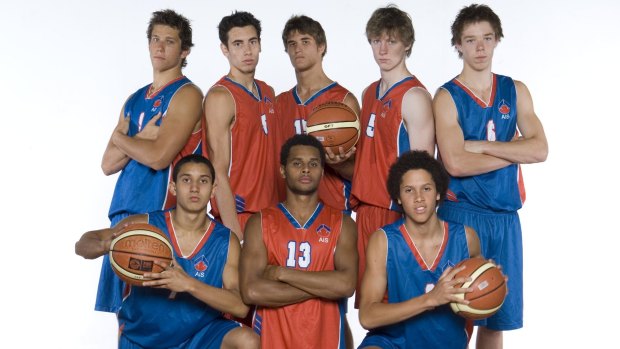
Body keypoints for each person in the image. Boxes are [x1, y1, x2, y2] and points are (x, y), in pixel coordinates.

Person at [433, 4, 548, 348]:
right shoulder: (446, 97)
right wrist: (513, 151)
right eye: (470, 40)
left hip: (504, 219)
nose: (480, 48)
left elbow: (539, 150)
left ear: (497, 40)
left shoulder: (517, 91)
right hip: (460, 217)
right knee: (451, 320)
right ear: (458, 45)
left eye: (486, 38)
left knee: (494, 317)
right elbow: (454, 163)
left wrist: (480, 146)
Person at [76, 155, 259, 349]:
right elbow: (83, 245)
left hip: (199, 335)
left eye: (203, 181)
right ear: (173, 187)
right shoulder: (144, 226)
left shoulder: (225, 240)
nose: (194, 188)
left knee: (247, 341)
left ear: (213, 189)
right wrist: (105, 245)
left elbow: (239, 306)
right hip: (142, 337)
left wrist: (188, 284)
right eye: (186, 180)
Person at [97, 9, 204, 313]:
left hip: (158, 213)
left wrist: (122, 138)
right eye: (155, 39)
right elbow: (107, 164)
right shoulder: (134, 99)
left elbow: (159, 158)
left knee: (155, 314)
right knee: (123, 312)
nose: (159, 47)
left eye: (169, 42)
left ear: (184, 51)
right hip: (123, 210)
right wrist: (141, 137)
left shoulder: (187, 94)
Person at [351, 5, 435, 308]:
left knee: (401, 304)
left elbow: (423, 174)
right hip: (366, 211)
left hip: (397, 215)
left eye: (392, 41)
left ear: (407, 44)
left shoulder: (415, 98)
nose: (383, 49)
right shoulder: (368, 93)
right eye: (376, 41)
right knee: (372, 306)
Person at [239, 134, 358, 348]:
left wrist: (282, 274)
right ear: (283, 170)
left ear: (322, 171)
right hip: (274, 340)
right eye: (297, 163)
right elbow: (251, 291)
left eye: (313, 164)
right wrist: (324, 287)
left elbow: (346, 285)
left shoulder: (343, 223)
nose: (305, 169)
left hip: (328, 339)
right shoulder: (260, 223)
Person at [358, 150, 481, 349]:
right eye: (409, 190)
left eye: (426, 188)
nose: (418, 198)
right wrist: (430, 299)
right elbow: (367, 316)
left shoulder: (466, 238)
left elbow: (480, 294)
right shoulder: (383, 240)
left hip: (446, 340)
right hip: (395, 339)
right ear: (398, 196)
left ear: (438, 192)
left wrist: (492, 281)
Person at [203, 11, 279, 240]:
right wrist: (235, 234)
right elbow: (218, 170)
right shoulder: (221, 96)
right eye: (238, 44)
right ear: (224, 49)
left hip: (273, 215)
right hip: (240, 216)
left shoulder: (268, 91)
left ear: (260, 44)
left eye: (252, 42)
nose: (247, 51)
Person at [276, 14, 361, 214]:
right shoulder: (279, 103)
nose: (298, 48)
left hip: (334, 209)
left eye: (305, 41)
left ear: (321, 47)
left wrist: (337, 164)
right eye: (292, 43)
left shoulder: (343, 101)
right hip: (288, 212)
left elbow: (362, 173)